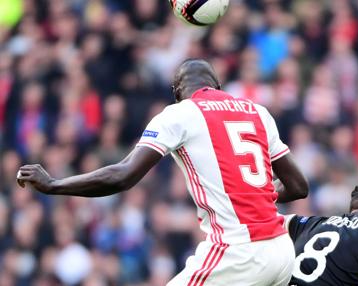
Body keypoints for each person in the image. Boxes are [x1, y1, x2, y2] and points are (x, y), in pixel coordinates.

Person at [16, 59, 309, 286]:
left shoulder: (180, 113)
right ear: (217, 85)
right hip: (281, 252)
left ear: (177, 91)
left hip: (238, 252)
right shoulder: (257, 112)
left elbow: (123, 175)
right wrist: (251, 197)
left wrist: (54, 184)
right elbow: (298, 186)